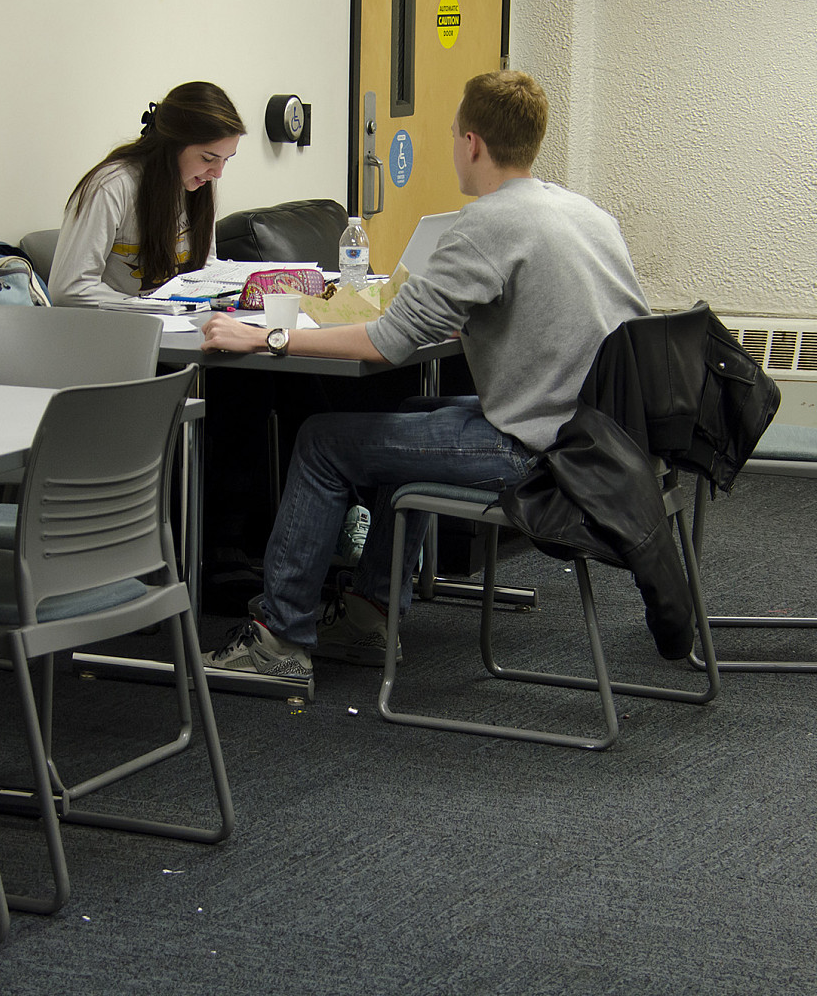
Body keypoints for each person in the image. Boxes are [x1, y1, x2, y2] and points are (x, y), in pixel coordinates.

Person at [197, 70, 651, 678]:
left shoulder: (488, 224)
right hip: (601, 440)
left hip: (536, 451)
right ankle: (367, 612)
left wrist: (270, 336)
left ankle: (276, 641)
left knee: (323, 443)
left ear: (471, 143)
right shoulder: (585, 212)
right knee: (400, 421)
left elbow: (386, 344)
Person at [48, 81, 246, 307]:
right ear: (172, 145)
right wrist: (157, 309)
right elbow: (70, 289)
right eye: (208, 158)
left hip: (180, 325)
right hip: (120, 329)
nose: (218, 173)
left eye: (226, 159)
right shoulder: (111, 186)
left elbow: (204, 268)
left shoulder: (196, 183)